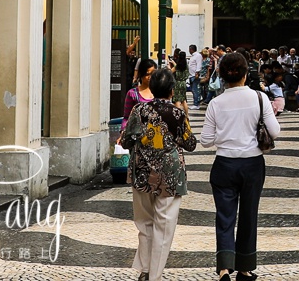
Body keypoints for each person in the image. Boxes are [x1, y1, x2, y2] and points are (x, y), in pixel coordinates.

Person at [202, 51, 281, 281]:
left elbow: (206, 141)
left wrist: (225, 136)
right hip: (252, 164)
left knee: (225, 216)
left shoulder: (216, 103)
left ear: (222, 76)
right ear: (246, 74)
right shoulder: (259, 98)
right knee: (249, 214)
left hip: (224, 163)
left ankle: (225, 268)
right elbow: (274, 131)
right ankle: (245, 268)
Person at [120, 67, 197, 281]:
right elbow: (190, 143)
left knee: (144, 222)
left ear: (152, 89)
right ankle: (154, 275)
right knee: (164, 224)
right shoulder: (177, 113)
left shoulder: (138, 111)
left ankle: (145, 270)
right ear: (172, 90)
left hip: (142, 172)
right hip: (169, 176)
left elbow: (126, 141)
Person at [122, 58, 158, 124]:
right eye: (147, 74)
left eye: (152, 74)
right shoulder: (132, 93)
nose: (150, 77)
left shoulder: (160, 92)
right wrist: (123, 130)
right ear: (141, 74)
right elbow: (127, 117)